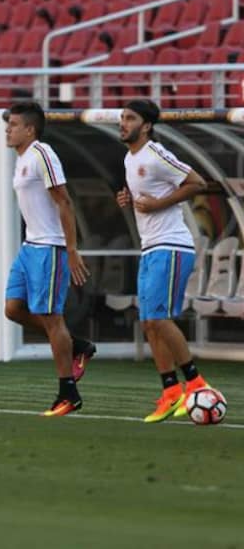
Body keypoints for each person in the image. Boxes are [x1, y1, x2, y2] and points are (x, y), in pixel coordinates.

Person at [115, 99, 213, 423]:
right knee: (149, 322)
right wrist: (128, 200)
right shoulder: (130, 159)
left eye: (130, 118)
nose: (123, 123)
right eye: (122, 117)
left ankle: (196, 383)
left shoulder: (156, 154)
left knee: (158, 318)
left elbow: (198, 182)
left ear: (146, 126)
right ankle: (171, 391)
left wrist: (160, 204)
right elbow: (148, 196)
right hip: (151, 247)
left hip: (171, 246)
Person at [2, 101, 96, 416]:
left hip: (49, 248)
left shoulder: (43, 154)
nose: (7, 129)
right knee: (13, 310)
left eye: (13, 124)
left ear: (30, 129)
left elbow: (64, 201)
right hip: (30, 246)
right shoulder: (22, 158)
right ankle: (78, 346)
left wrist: (70, 250)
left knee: (53, 318)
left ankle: (68, 393)